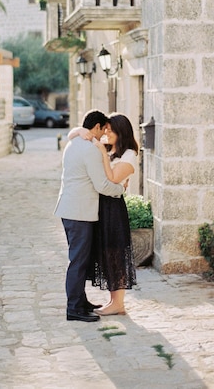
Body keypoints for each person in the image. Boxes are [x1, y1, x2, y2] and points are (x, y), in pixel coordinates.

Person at [54, 110, 127, 322]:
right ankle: (74, 308)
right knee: (78, 261)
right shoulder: (89, 149)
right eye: (103, 129)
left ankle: (80, 300)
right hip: (79, 212)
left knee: (81, 259)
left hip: (70, 210)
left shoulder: (73, 142)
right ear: (95, 127)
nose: (104, 134)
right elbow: (102, 185)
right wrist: (121, 189)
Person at [69, 112, 138, 316]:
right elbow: (71, 135)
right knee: (106, 252)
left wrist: (100, 151)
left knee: (116, 253)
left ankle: (118, 303)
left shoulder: (129, 154)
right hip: (100, 207)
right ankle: (112, 301)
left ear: (120, 131)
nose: (105, 132)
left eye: (109, 129)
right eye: (104, 128)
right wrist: (80, 130)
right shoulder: (109, 150)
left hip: (114, 208)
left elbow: (113, 177)